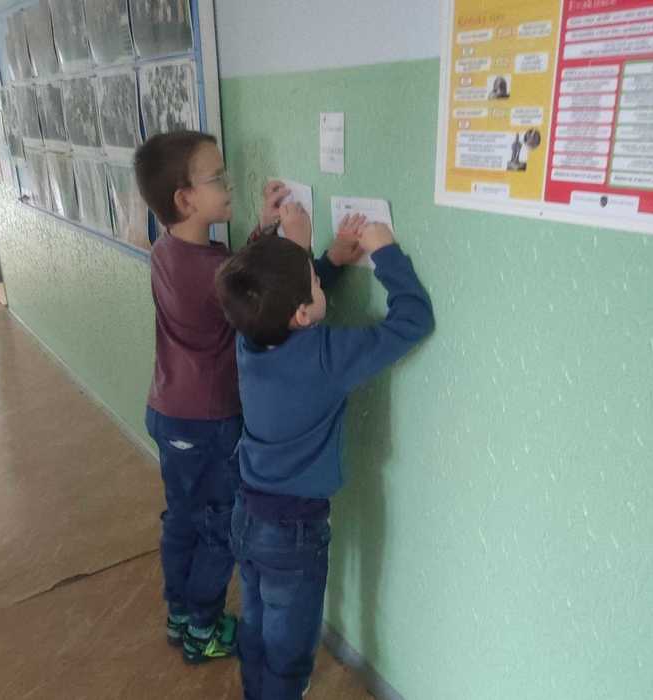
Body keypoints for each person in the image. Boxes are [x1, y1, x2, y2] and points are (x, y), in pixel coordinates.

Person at [215, 214, 435, 699]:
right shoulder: (326, 355)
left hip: (246, 517)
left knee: (257, 631)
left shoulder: (249, 340)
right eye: (315, 280)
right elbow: (413, 320)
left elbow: (287, 307)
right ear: (300, 313)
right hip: (293, 532)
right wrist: (384, 251)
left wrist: (328, 261)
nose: (320, 281)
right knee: (289, 653)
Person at [134, 131, 295, 664]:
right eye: (218, 178)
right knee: (221, 528)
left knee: (182, 520)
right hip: (208, 422)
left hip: (168, 412)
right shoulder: (208, 271)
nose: (229, 185)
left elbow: (230, 275)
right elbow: (259, 300)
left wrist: (262, 228)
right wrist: (292, 244)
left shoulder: (168, 248)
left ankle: (180, 614)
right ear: (185, 199)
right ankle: (203, 627)